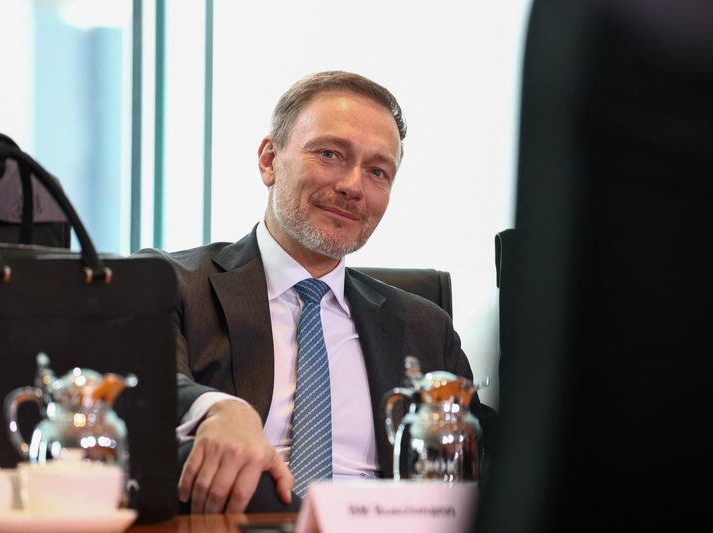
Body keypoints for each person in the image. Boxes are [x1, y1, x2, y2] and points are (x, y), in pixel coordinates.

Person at [148, 71, 495, 514]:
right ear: (269, 160)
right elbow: (140, 379)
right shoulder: (171, 282)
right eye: (330, 154)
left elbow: (487, 451)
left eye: (377, 171)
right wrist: (215, 408)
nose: (353, 186)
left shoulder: (425, 325)